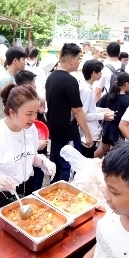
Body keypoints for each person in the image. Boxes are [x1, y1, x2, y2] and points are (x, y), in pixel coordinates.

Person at [0, 84, 56, 213]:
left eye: (36, 112)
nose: (34, 118)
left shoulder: (31, 129)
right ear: (12, 112)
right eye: (29, 113)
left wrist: (43, 162)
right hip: (2, 193)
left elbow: (30, 155)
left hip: (25, 186)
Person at [45, 43, 94, 182]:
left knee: (56, 164)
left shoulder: (51, 76)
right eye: (78, 58)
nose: (79, 62)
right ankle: (65, 197)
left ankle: (53, 194)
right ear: (70, 59)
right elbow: (77, 110)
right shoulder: (70, 81)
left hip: (54, 130)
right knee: (70, 167)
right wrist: (88, 135)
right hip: (68, 132)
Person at [98, 71, 129, 157]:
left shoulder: (107, 95)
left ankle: (91, 164)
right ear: (126, 83)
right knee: (116, 153)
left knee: (103, 148)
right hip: (118, 130)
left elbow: (98, 108)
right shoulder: (128, 100)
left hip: (106, 127)